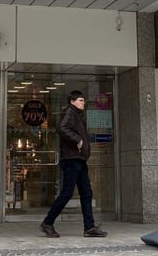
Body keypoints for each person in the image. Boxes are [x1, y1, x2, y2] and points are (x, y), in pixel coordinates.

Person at [40, 90, 107, 238]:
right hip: (72, 159)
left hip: (78, 159)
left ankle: (89, 227)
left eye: (83, 100)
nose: (83, 103)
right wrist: (78, 140)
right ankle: (48, 222)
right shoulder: (69, 113)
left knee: (86, 193)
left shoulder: (76, 115)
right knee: (67, 193)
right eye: (80, 100)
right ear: (72, 102)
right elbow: (62, 129)